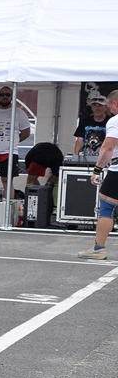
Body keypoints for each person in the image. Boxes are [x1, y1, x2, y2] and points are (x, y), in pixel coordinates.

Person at [76, 89, 118, 260]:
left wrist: (97, 170)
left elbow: (108, 148)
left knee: (106, 207)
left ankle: (98, 249)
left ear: (114, 103)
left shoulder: (115, 121)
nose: (109, 109)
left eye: (109, 105)